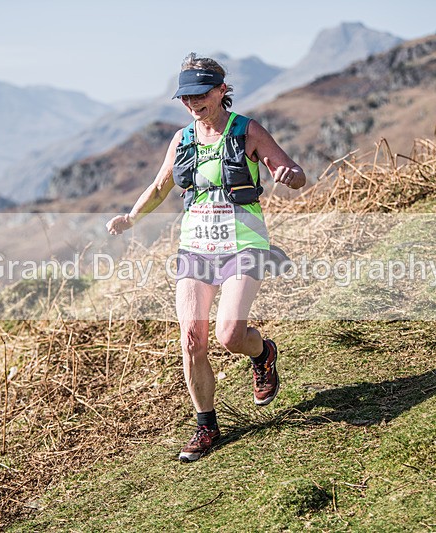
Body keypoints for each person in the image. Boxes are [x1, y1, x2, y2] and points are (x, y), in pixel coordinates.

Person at [106, 53, 306, 462]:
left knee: (229, 335)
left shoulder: (248, 130)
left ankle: (263, 353)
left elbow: (293, 172)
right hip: (196, 249)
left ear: (221, 90)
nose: (192, 102)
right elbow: (161, 186)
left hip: (244, 244)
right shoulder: (181, 140)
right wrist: (131, 217)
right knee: (192, 340)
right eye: (185, 96)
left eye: (200, 93)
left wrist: (291, 176)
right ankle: (206, 427)